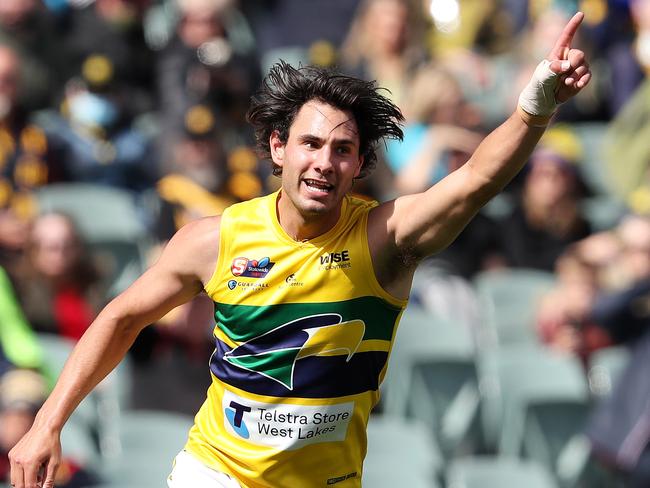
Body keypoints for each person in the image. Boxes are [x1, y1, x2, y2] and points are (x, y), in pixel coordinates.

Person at [9, 12, 591, 488]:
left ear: (360, 165)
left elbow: (476, 181)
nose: (324, 162)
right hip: (215, 475)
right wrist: (47, 422)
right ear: (278, 148)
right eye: (310, 143)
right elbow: (121, 316)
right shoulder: (216, 240)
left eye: (343, 150)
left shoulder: (386, 240)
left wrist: (537, 100)